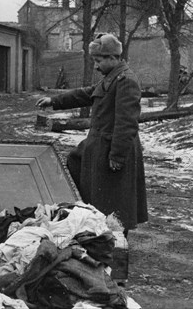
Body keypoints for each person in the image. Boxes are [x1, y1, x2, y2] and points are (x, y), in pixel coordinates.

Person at [36, 34, 148, 236]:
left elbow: (127, 123)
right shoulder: (111, 79)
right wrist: (54, 101)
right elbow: (84, 94)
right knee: (80, 171)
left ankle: (116, 241)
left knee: (114, 199)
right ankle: (98, 232)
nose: (96, 66)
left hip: (113, 148)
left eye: (98, 61)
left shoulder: (126, 81)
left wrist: (117, 156)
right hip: (99, 146)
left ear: (112, 58)